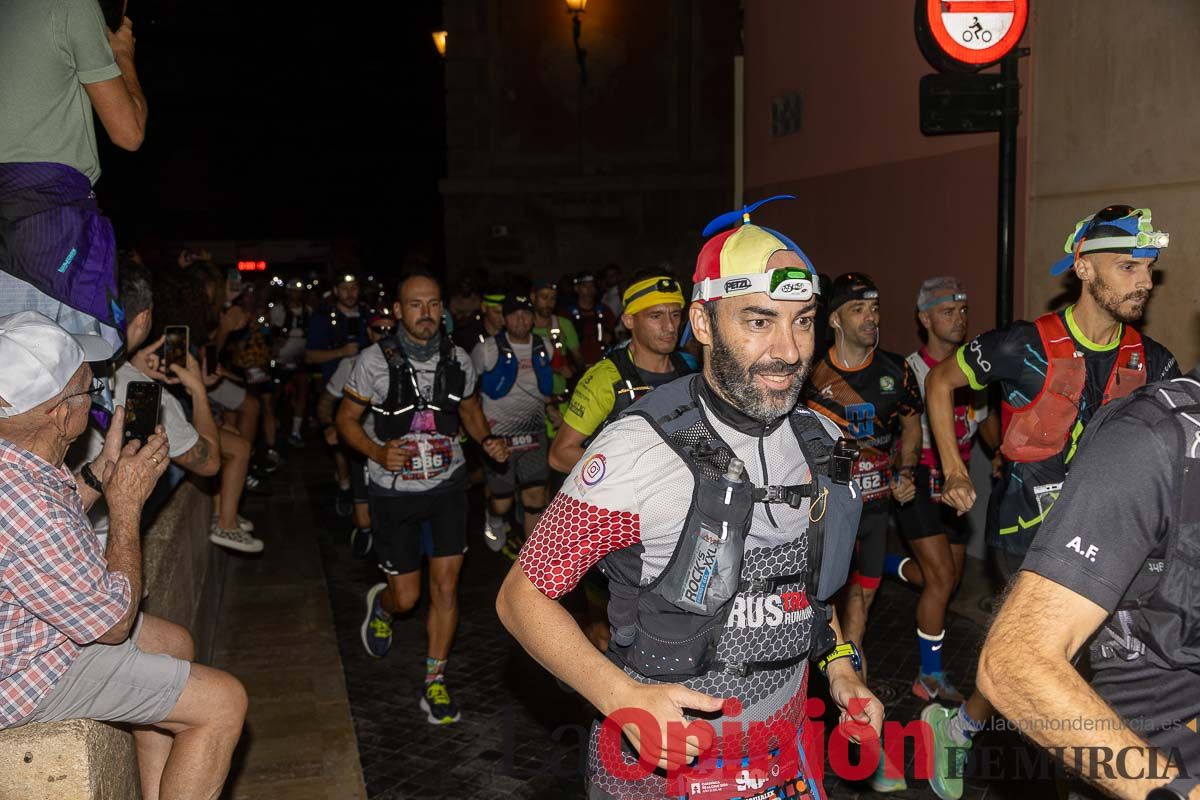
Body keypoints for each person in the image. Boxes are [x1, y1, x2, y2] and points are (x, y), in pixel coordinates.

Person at [497, 201, 882, 800]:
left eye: (802, 321)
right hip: (659, 775)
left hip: (785, 762)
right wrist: (620, 698)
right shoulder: (637, 448)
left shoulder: (821, 441)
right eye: (759, 321)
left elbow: (806, 591)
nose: (787, 350)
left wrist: (840, 671)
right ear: (703, 325)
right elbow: (522, 596)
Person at [922, 206, 1181, 800]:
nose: (1144, 280)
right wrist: (955, 470)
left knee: (1064, 660)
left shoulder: (1156, 363)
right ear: (1085, 268)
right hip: (1025, 535)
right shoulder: (1021, 345)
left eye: (1148, 267)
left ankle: (963, 724)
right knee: (1046, 664)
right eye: (1127, 266)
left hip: (1109, 540)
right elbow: (941, 383)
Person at [0, 311, 247, 800]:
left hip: (29, 630)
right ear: (61, 413)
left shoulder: (19, 461)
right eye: (87, 390)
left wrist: (103, 471)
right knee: (224, 702)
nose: (94, 398)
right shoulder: (25, 498)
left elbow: (45, 526)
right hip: (22, 673)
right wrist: (127, 504)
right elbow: (111, 623)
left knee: (173, 642)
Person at [977, 365, 1200, 800]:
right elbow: (1013, 661)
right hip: (1148, 760)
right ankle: (960, 723)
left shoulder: (1148, 353)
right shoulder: (1154, 434)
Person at [336, 272, 507, 725]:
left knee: (447, 587)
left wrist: (487, 441)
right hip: (393, 495)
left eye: (434, 304)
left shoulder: (459, 359)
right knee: (407, 598)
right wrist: (376, 451)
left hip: (449, 488)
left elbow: (470, 411)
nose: (426, 313)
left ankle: (435, 682)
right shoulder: (372, 362)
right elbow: (345, 421)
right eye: (416, 305)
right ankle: (383, 607)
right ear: (398, 310)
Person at [548, 271, 696, 652]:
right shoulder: (605, 378)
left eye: (675, 314)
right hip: (617, 536)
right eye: (655, 316)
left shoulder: (690, 371)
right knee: (608, 636)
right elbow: (561, 452)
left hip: (678, 528)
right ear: (629, 320)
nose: (669, 326)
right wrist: (627, 485)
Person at [884, 278, 999, 703]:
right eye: (948, 311)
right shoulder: (908, 371)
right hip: (919, 487)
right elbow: (894, 430)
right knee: (943, 578)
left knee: (940, 583)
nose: (960, 319)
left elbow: (985, 421)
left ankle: (882, 564)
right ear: (925, 318)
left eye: (963, 311)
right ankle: (928, 676)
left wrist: (1000, 452)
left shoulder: (975, 369)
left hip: (958, 492)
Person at [804, 273, 923, 678]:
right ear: (835, 320)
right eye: (858, 310)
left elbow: (911, 425)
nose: (871, 318)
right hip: (824, 511)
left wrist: (906, 471)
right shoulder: (808, 375)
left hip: (875, 510)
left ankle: (850, 686)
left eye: (874, 309)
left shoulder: (897, 369)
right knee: (823, 606)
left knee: (861, 607)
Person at [471, 295, 556, 558]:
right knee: (502, 501)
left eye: (526, 314)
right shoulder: (486, 350)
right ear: (504, 318)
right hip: (499, 437)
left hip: (534, 433)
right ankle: (494, 516)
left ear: (532, 318)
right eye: (514, 314)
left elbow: (543, 390)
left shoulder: (545, 347)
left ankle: (533, 560)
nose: (521, 319)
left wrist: (552, 411)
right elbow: (470, 394)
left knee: (536, 499)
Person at [323, 312, 396, 559]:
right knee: (364, 520)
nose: (384, 336)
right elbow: (325, 402)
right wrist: (330, 425)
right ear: (369, 332)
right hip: (363, 445)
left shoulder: (409, 364)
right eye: (379, 330)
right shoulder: (354, 363)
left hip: (397, 446)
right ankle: (364, 527)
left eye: (390, 330)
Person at [269, 279, 312, 448]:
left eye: (299, 291)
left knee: (303, 389)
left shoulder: (307, 310)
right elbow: (273, 333)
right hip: (281, 357)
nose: (296, 294)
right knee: (275, 394)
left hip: (300, 357)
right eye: (293, 291)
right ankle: (274, 424)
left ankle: (295, 430)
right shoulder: (278, 310)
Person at [306, 272, 371, 384]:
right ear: (336, 291)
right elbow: (310, 356)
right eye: (344, 288)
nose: (350, 293)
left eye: (354, 288)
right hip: (333, 385)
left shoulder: (368, 316)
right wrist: (341, 352)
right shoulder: (323, 317)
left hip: (365, 383)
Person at [565, 273, 616, 368]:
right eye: (585, 286)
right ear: (577, 288)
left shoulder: (604, 311)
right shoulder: (567, 313)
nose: (589, 290)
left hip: (602, 363)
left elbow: (613, 335)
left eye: (592, 286)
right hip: (576, 366)